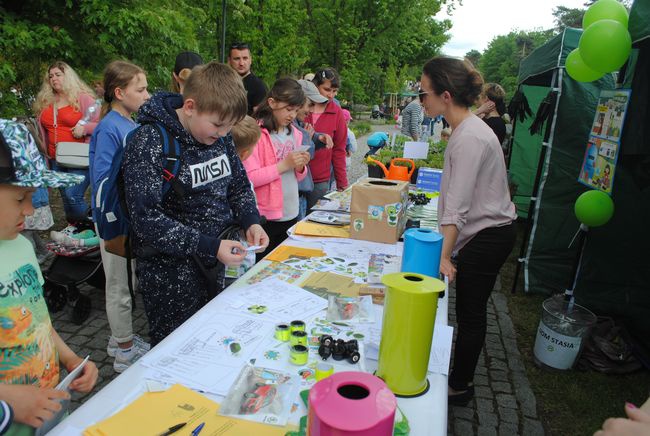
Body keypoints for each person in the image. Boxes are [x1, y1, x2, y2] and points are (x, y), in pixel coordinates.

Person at [122, 62, 269, 345]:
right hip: (172, 278)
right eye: (217, 125)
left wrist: (251, 220)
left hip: (219, 262)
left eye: (230, 127)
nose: (224, 135)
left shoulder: (219, 135)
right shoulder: (150, 141)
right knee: (179, 348)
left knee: (221, 340)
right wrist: (210, 246)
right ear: (190, 106)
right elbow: (146, 219)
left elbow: (238, 185)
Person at [419, 57, 517, 406]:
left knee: (471, 315)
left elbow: (456, 207)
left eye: (423, 93)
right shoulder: (466, 130)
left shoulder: (470, 137)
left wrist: (444, 256)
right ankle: (458, 379)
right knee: (469, 312)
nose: (421, 100)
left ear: (445, 95)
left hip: (490, 235)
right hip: (486, 231)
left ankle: (459, 386)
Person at [0, 119, 98, 434]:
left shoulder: (19, 248)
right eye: (20, 198)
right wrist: (8, 398)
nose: (29, 211)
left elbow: (39, 324)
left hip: (49, 415)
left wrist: (70, 360)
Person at [89, 60, 151, 373]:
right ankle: (124, 351)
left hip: (128, 219)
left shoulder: (129, 123)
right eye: (140, 89)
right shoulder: (109, 128)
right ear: (119, 92)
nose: (146, 94)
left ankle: (120, 338)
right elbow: (102, 181)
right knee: (119, 287)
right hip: (115, 223)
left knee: (127, 281)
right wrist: (115, 221)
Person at [244, 78, 309, 259]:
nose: (292, 115)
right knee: (262, 267)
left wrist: (300, 166)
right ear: (272, 103)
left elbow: (298, 177)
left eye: (296, 110)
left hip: (291, 211)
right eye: (288, 109)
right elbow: (250, 178)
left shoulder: (294, 133)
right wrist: (285, 165)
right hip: (266, 217)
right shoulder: (256, 134)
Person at [34, 61, 99, 225]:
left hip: (79, 157)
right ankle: (74, 227)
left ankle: (91, 227)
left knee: (73, 195)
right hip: (55, 158)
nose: (54, 78)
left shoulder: (83, 99)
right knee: (65, 198)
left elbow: (102, 125)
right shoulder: (46, 101)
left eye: (58, 74)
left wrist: (84, 129)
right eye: (51, 76)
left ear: (67, 76)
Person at [305, 68, 348, 209]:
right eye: (327, 89)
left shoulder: (336, 112)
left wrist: (342, 183)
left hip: (320, 178)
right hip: (295, 176)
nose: (331, 95)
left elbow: (339, 150)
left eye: (334, 91)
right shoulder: (301, 107)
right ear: (315, 86)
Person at [228, 42, 268, 115]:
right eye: (237, 59)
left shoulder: (258, 86)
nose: (241, 63)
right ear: (229, 61)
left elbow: (261, 118)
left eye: (245, 58)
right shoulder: (223, 83)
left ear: (250, 60)